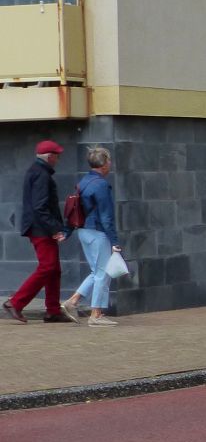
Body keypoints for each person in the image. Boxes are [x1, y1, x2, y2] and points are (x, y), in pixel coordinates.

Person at [3, 140, 74, 324]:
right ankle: (16, 303)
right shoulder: (42, 175)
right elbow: (40, 207)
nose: (58, 159)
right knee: (48, 267)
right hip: (41, 229)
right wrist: (54, 229)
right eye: (57, 155)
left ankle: (52, 311)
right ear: (49, 157)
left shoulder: (36, 171)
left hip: (39, 227)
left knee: (54, 269)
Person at [62, 147, 123, 326]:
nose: (110, 164)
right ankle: (96, 314)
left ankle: (73, 301)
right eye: (109, 161)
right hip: (97, 232)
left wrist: (67, 231)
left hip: (83, 231)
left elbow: (75, 209)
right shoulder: (101, 185)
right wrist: (115, 241)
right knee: (103, 274)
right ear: (104, 164)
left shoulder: (84, 182)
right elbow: (106, 216)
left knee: (96, 272)